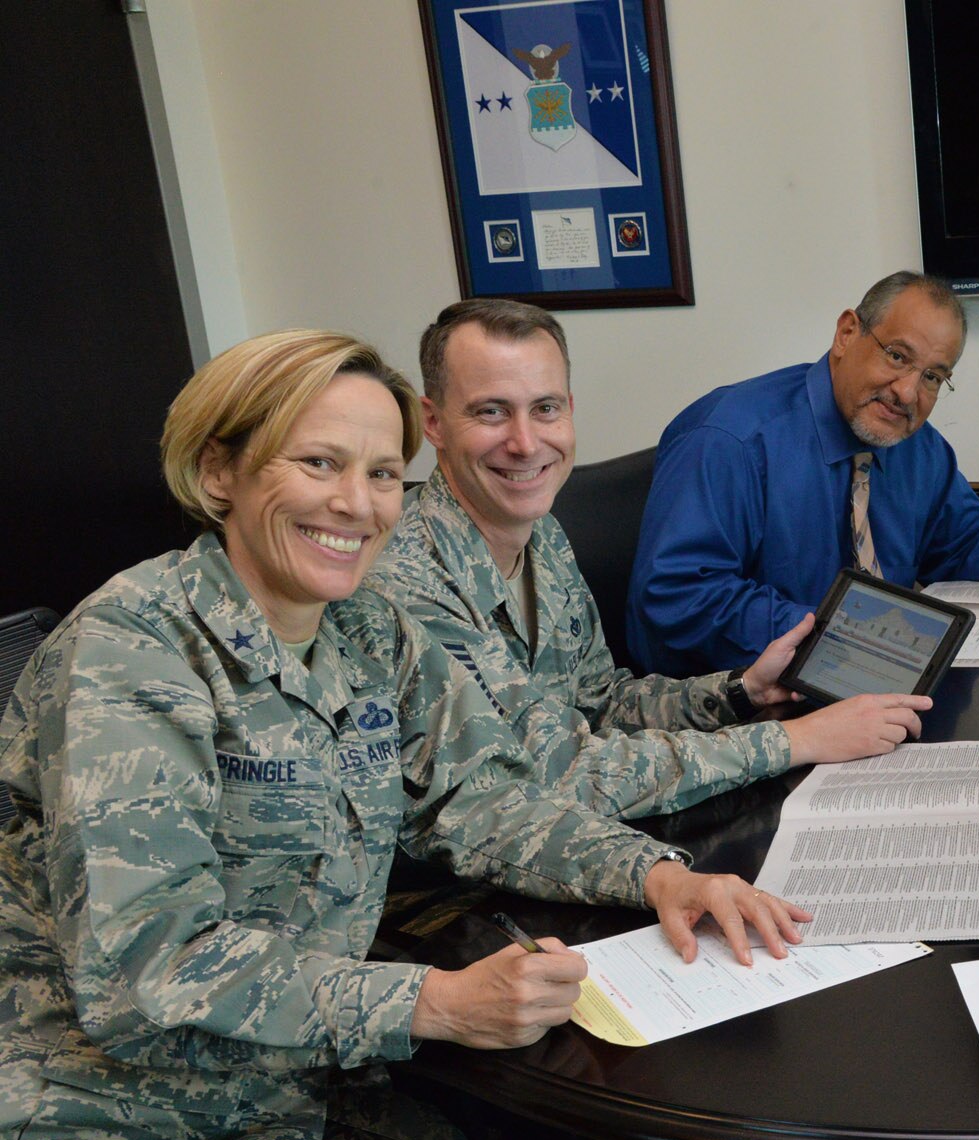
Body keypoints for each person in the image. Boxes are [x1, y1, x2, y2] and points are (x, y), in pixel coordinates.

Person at [0, 331, 810, 1140]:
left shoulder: (371, 636)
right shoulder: (129, 651)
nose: (357, 503)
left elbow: (486, 798)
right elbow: (148, 968)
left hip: (296, 1127)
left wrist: (654, 876)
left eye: (383, 473)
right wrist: (436, 1003)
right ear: (218, 471)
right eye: (318, 463)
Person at [368, 299, 929, 821]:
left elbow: (600, 706)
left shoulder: (540, 534)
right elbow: (553, 776)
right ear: (433, 423)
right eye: (491, 412)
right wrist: (796, 741)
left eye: (545, 408)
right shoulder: (403, 583)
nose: (525, 442)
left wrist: (742, 691)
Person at [625, 271, 979, 675]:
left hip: (867, 687)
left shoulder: (914, 445)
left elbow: (961, 533)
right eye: (897, 356)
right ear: (847, 333)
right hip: (730, 708)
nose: (909, 392)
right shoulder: (730, 440)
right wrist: (840, 633)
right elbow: (679, 594)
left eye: (933, 377)